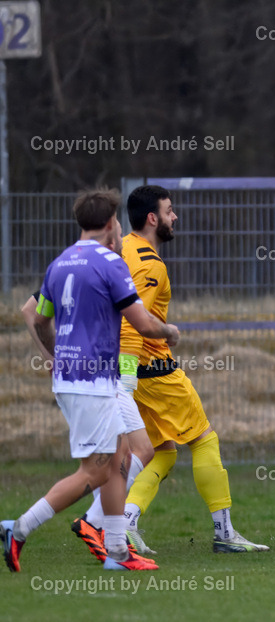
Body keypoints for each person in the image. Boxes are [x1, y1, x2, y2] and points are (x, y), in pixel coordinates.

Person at [2, 188, 178, 572]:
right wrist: (170, 331)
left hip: (80, 379)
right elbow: (143, 323)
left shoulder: (60, 263)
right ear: (112, 223)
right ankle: (19, 528)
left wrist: (55, 355)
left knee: (122, 457)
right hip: (90, 383)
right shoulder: (111, 263)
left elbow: (39, 318)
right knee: (96, 470)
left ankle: (117, 552)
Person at [117, 185, 267, 554]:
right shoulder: (150, 265)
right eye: (169, 210)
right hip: (152, 371)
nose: (175, 216)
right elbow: (132, 322)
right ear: (152, 218)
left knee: (163, 451)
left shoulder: (120, 248)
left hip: (127, 371)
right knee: (204, 439)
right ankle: (224, 534)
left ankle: (126, 522)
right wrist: (129, 373)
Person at [21, 256, 156, 564]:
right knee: (126, 456)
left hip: (98, 378)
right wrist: (52, 356)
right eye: (117, 234)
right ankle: (92, 525)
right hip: (97, 380)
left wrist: (54, 357)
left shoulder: (78, 266)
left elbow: (32, 312)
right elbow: (30, 311)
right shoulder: (103, 267)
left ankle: (110, 539)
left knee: (114, 458)